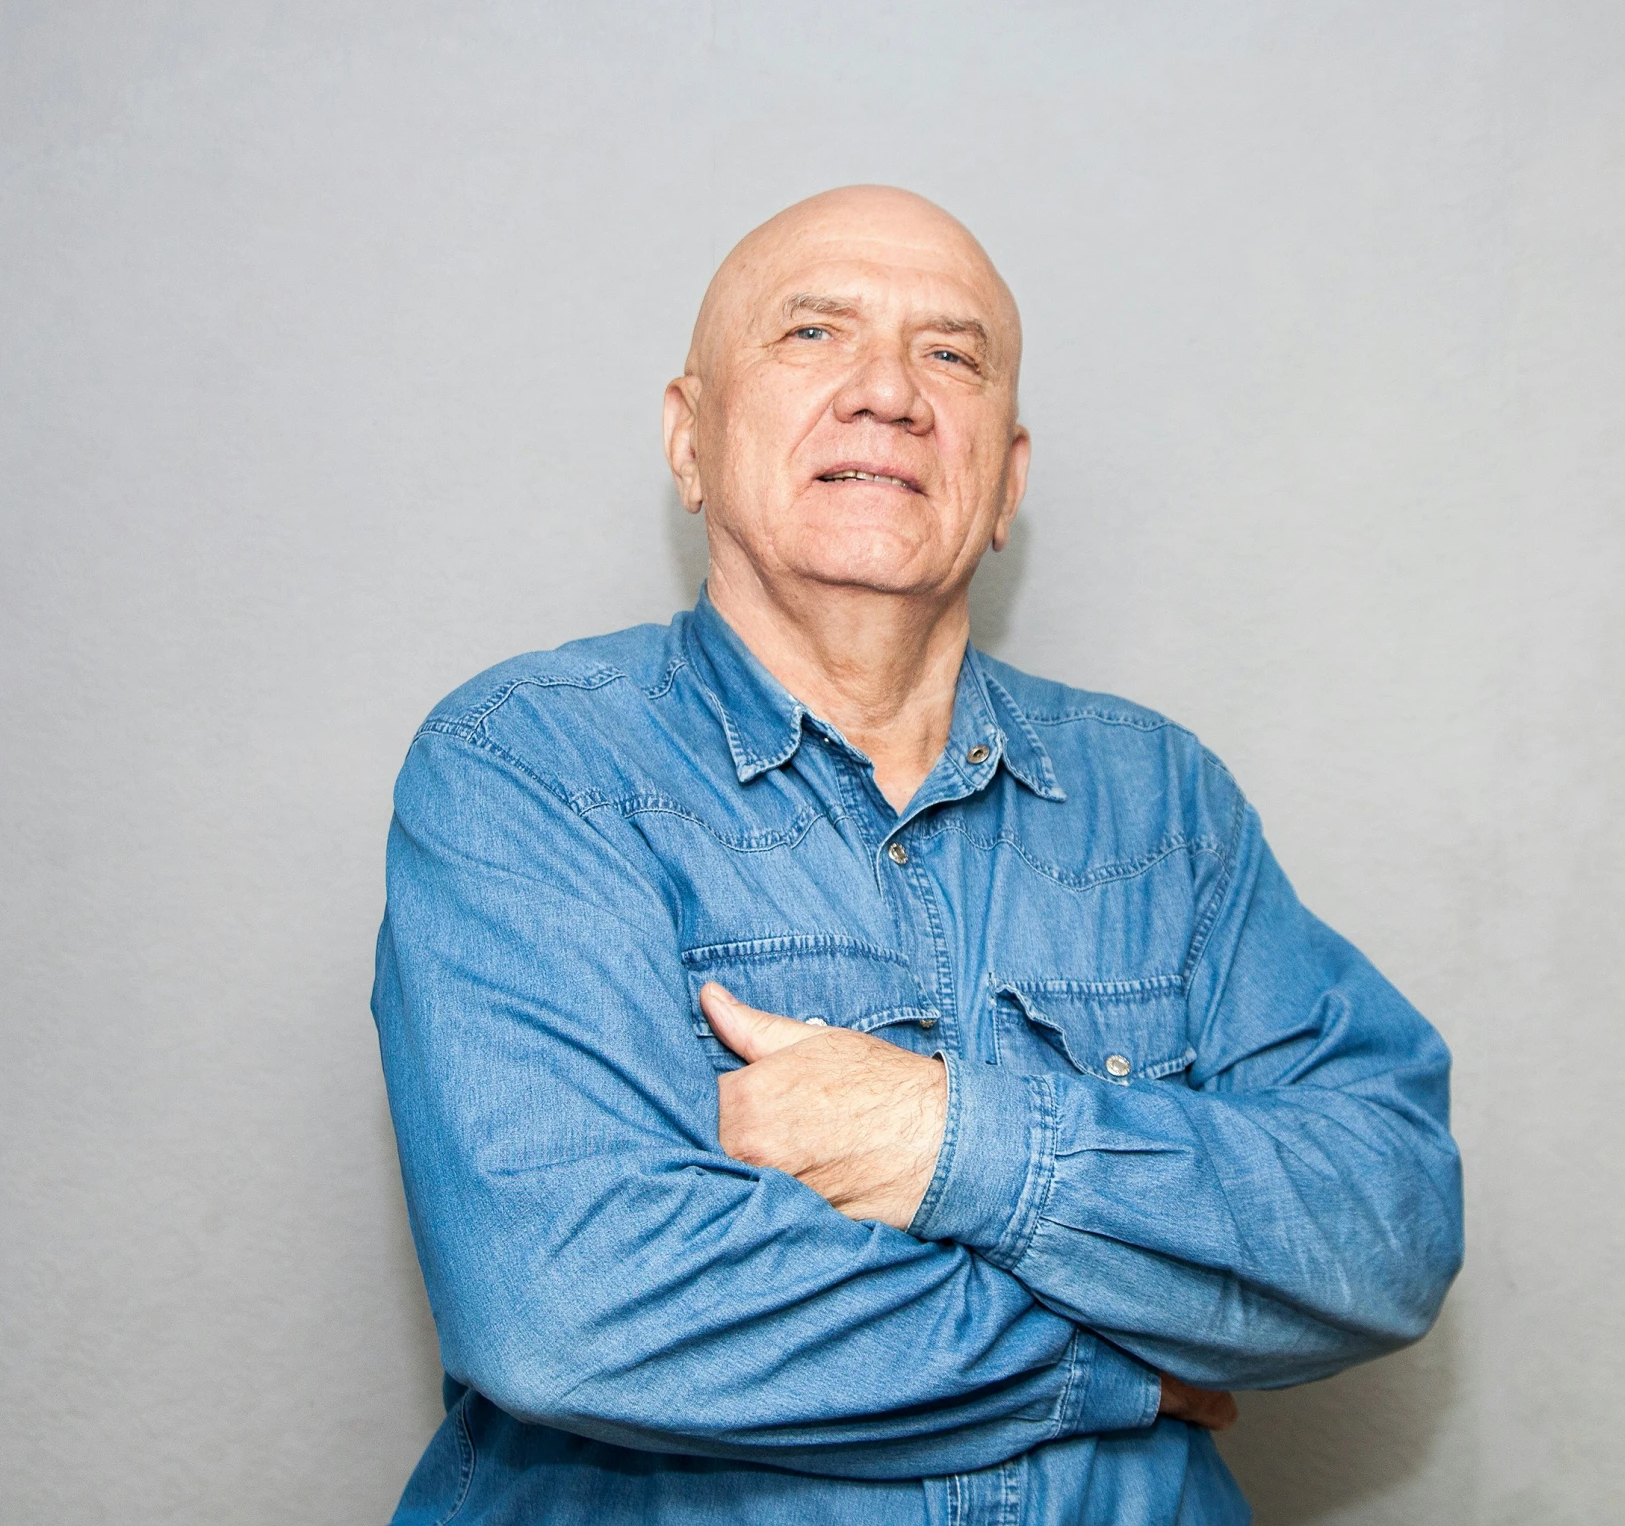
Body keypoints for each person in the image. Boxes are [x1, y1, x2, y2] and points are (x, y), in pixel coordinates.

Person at [372, 185, 1464, 1525]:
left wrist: (944, 1137)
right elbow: (566, 1304)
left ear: (1004, 482)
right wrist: (1115, 1364)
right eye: (813, 334)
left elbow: (1388, 1222)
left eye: (952, 354)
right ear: (689, 438)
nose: (887, 391)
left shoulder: (1161, 799)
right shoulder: (529, 768)